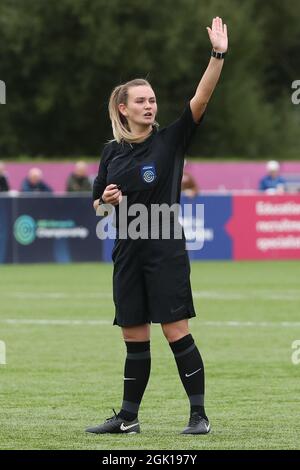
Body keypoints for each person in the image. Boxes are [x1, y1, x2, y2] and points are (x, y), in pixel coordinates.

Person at [87, 17, 228, 435]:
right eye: (141, 100)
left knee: (175, 330)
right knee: (133, 335)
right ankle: (128, 418)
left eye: (152, 99)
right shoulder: (111, 152)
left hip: (165, 249)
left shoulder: (170, 140)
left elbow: (201, 97)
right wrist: (105, 202)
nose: (150, 105)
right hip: (127, 250)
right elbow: (96, 203)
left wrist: (217, 55)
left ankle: (199, 416)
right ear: (123, 108)